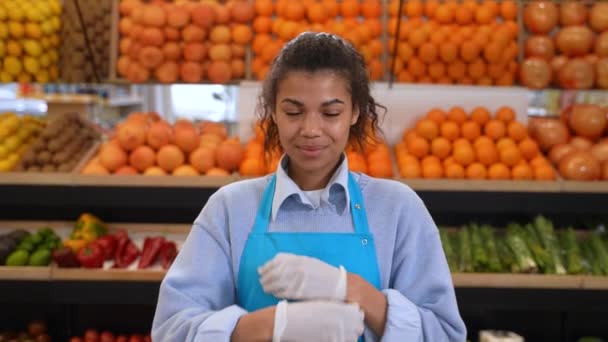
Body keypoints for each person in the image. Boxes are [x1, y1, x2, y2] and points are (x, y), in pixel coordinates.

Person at [152, 32, 466, 342]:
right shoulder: (230, 208)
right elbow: (172, 329)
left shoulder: (398, 208)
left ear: (355, 112)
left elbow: (444, 334)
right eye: (293, 112)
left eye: (330, 113)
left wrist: (352, 290)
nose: (311, 130)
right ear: (273, 112)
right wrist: (273, 325)